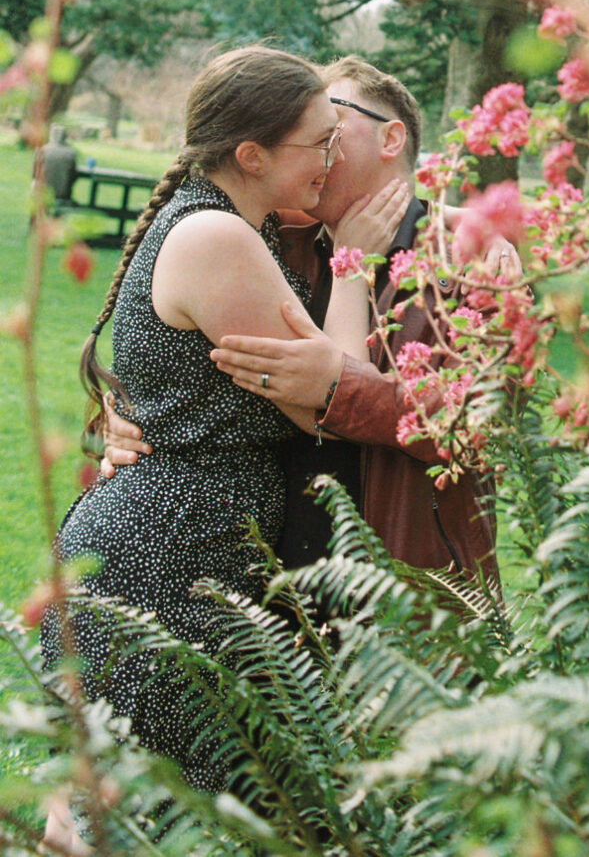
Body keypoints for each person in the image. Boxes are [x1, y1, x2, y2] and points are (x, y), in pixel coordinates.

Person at [43, 46, 408, 818]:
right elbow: (322, 394)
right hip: (166, 562)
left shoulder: (239, 227)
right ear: (251, 154)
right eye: (319, 140)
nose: (332, 155)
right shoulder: (220, 238)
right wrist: (354, 268)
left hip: (189, 547)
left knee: (125, 805)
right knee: (135, 809)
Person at [103, 56, 502, 589]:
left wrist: (344, 390)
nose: (326, 144)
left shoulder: (475, 264)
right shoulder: (268, 236)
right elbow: (169, 359)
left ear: (390, 140)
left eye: (333, 124)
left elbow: (485, 426)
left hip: (410, 589)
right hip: (262, 592)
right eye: (314, 134)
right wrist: (121, 419)